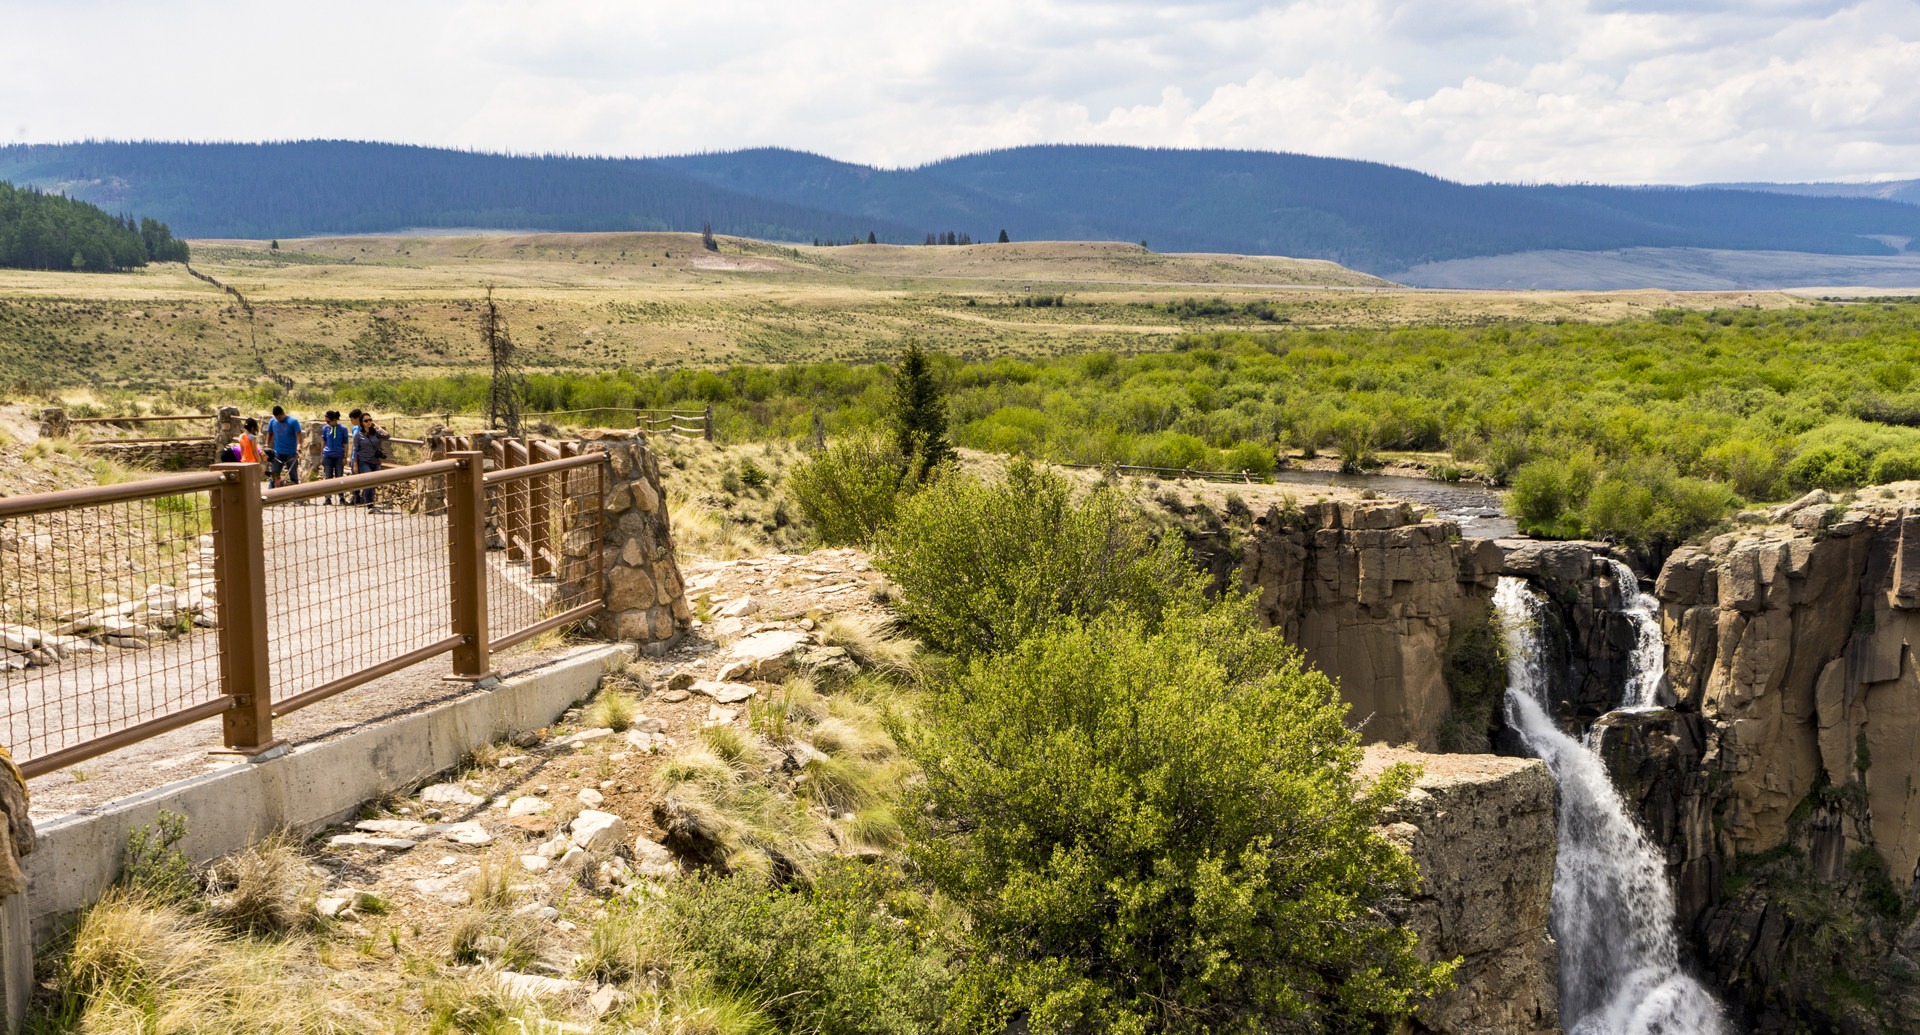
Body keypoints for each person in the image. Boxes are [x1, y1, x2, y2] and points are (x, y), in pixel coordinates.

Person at [350, 410, 390, 507]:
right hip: (364, 461)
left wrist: (378, 427)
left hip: (375, 461)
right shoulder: (358, 434)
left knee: (374, 482)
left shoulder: (375, 433)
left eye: (370, 420)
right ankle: (369, 505)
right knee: (368, 481)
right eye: (366, 421)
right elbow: (355, 449)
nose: (368, 422)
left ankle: (369, 501)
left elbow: (387, 436)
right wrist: (355, 464)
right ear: (362, 423)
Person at [265, 405, 303, 488]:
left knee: (293, 475)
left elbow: (298, 434)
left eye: (279, 417)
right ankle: (270, 494)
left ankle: (297, 496)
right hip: (278, 452)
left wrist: (299, 445)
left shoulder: (293, 421)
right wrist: (267, 444)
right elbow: (270, 433)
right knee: (274, 474)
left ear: (283, 413)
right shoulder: (272, 421)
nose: (278, 419)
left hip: (291, 452)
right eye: (276, 417)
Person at [317, 410, 350, 504]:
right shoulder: (325, 429)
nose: (327, 423)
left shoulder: (343, 429)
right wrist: (322, 455)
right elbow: (323, 442)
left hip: (339, 455)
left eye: (328, 421)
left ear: (334, 419)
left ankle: (341, 497)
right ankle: (328, 497)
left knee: (339, 477)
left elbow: (345, 443)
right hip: (328, 455)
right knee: (328, 476)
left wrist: (345, 457)